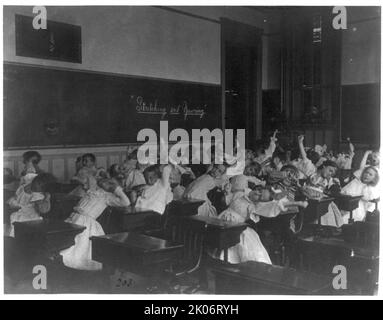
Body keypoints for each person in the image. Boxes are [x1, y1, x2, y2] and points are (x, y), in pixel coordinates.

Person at [61, 176, 130, 271]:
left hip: (86, 222)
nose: (104, 183)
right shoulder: (91, 190)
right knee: (66, 238)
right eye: (104, 181)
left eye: (108, 183)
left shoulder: (108, 197)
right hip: (75, 216)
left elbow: (126, 202)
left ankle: (75, 264)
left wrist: (117, 190)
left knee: (80, 243)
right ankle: (61, 259)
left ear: (111, 187)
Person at [6, 173, 54, 237]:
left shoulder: (38, 195)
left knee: (22, 223)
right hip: (19, 212)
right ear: (34, 180)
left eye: (42, 186)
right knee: (14, 218)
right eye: (38, 183)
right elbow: (16, 197)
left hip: (30, 216)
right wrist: (13, 201)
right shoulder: (23, 188)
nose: (37, 187)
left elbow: (43, 210)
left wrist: (46, 199)